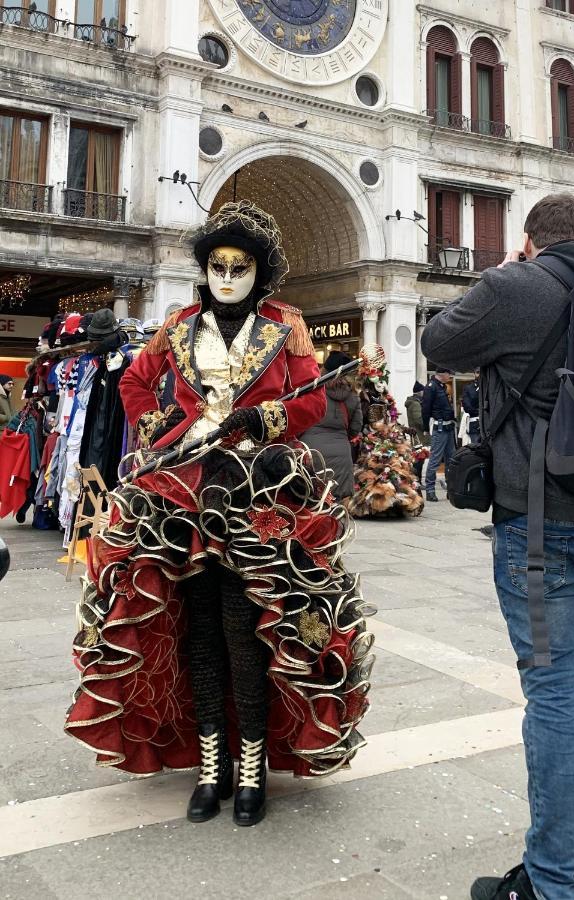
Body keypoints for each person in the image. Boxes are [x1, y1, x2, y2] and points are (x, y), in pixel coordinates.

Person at [65, 200, 373, 828]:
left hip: (260, 489)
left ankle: (253, 766)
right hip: (179, 489)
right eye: (217, 265)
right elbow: (134, 384)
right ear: (204, 270)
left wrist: (261, 418)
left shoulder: (286, 325)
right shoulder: (176, 326)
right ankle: (213, 767)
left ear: (260, 272)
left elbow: (311, 398)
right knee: (197, 628)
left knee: (247, 630)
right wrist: (162, 430)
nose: (227, 276)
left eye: (240, 266)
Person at [422, 192, 574, 900]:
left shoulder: (515, 285)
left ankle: (550, 884)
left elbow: (438, 343)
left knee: (552, 698)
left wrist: (511, 272)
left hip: (540, 529)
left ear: (530, 240)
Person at [301, 350, 363, 504]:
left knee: (311, 501)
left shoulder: (312, 390)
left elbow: (299, 419)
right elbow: (356, 427)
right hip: (342, 453)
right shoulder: (353, 395)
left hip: (312, 451)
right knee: (338, 503)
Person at [421, 367, 456, 502]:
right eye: (449, 374)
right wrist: (425, 427)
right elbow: (425, 409)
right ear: (442, 374)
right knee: (435, 459)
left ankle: (451, 489)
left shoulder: (441, 386)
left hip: (448, 427)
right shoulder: (431, 387)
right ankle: (430, 490)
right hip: (439, 428)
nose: (450, 376)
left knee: (451, 459)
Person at [405, 380, 429, 482]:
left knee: (419, 459)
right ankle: (416, 481)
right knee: (419, 460)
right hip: (418, 436)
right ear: (420, 392)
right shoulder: (416, 404)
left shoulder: (415, 403)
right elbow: (419, 420)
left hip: (417, 435)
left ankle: (416, 480)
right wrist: (428, 426)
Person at [461, 368, 481, 444]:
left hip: (488, 422)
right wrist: (480, 412)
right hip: (475, 422)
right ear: (474, 374)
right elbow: (467, 406)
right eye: (478, 372)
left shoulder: (489, 387)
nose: (479, 375)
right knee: (476, 448)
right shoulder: (468, 388)